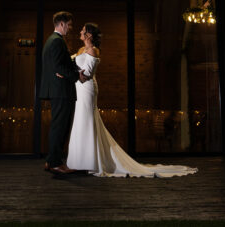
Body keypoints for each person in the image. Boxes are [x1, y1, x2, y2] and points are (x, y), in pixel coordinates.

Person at [66, 22, 197, 178]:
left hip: (87, 89)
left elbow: (87, 74)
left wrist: (71, 73)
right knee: (80, 120)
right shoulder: (81, 50)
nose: (80, 32)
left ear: (89, 35)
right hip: (78, 90)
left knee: (87, 120)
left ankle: (91, 162)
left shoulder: (94, 51)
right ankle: (79, 161)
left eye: (83, 30)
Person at [39, 10, 88, 175]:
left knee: (58, 126)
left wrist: (71, 66)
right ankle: (55, 163)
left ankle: (51, 161)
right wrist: (76, 76)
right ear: (61, 24)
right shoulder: (57, 41)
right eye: (69, 24)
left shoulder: (51, 40)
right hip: (61, 91)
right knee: (60, 127)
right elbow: (58, 66)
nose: (71, 28)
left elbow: (59, 65)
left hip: (57, 90)